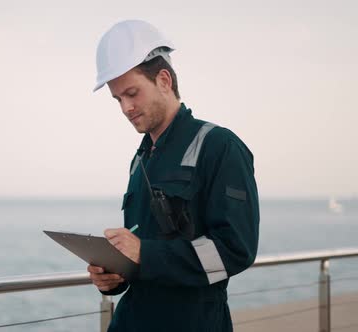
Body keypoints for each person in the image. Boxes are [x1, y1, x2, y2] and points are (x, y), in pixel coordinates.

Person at [88, 20, 260, 331]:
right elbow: (143, 258)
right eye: (118, 99)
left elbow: (236, 250)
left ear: (164, 80)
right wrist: (114, 277)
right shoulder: (140, 159)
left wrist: (145, 253)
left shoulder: (220, 146)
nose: (126, 108)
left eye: (132, 93)